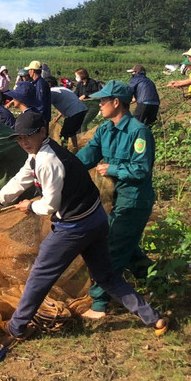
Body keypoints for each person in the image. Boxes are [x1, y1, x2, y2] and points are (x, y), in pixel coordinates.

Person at [0, 111, 168, 342]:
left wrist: (29, 206)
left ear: (43, 132)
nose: (23, 142)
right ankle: (153, 317)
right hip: (95, 219)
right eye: (19, 138)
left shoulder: (48, 161)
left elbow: (49, 205)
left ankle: (16, 328)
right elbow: (21, 179)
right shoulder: (39, 153)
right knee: (106, 276)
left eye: (28, 136)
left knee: (39, 274)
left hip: (75, 226)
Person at [75, 80, 156, 319]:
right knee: (126, 245)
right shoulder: (105, 129)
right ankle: (157, 280)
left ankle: (100, 304)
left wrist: (113, 169)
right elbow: (88, 154)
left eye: (102, 101)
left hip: (133, 200)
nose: (99, 105)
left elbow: (141, 170)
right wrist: (67, 169)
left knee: (111, 249)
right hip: (114, 198)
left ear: (116, 102)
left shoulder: (138, 132)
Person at [47, 77, 89, 150]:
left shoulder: (52, 92)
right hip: (82, 110)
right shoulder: (62, 88)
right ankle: (76, 148)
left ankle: (64, 151)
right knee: (72, 132)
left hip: (73, 112)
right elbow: (67, 102)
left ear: (49, 84)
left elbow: (45, 105)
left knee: (64, 134)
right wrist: (58, 117)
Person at [74, 68, 102, 133]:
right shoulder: (79, 84)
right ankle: (78, 138)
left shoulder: (92, 82)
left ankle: (84, 138)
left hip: (93, 105)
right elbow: (76, 93)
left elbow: (95, 93)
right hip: (83, 106)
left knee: (84, 122)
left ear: (82, 75)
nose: (76, 78)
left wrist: (85, 95)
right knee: (78, 122)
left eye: (77, 76)